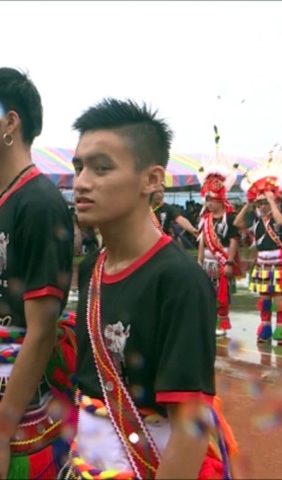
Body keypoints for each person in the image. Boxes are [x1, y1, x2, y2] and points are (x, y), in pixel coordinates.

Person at [69, 98, 238, 479]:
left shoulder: (179, 281)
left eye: (101, 168)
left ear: (151, 179)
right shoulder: (90, 270)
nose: (81, 182)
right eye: (78, 167)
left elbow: (190, 430)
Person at [0, 67, 77, 480]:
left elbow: (41, 330)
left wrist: (0, 435)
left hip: (19, 398)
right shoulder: (2, 197)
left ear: (10, 123)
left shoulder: (39, 202)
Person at [236, 151, 282, 345]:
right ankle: (265, 331)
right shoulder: (257, 219)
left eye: (264, 203)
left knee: (279, 299)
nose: (262, 207)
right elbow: (238, 223)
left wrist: (272, 201)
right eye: (260, 203)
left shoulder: (279, 214)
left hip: (279, 262)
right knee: (264, 299)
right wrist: (248, 205)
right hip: (263, 263)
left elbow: (280, 222)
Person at [195, 127, 241, 337]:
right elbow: (203, 241)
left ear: (220, 199)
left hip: (221, 260)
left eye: (212, 200)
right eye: (207, 200)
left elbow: (233, 241)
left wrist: (229, 262)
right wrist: (199, 261)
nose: (209, 204)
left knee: (222, 293)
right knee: (205, 293)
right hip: (207, 261)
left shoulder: (229, 218)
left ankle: (222, 324)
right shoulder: (205, 218)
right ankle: (207, 321)